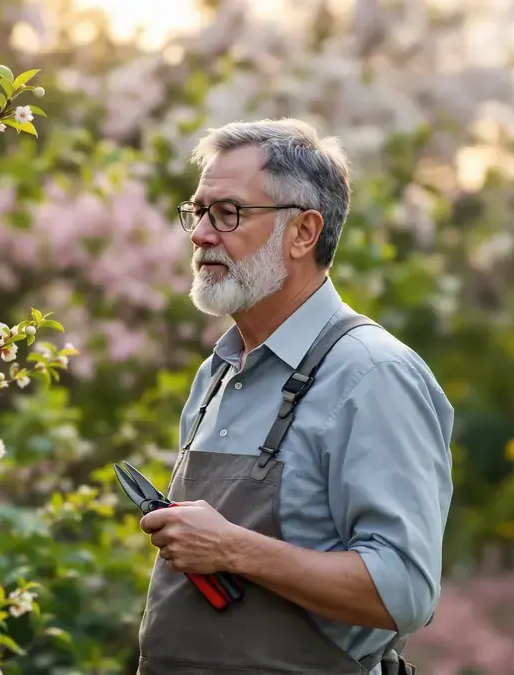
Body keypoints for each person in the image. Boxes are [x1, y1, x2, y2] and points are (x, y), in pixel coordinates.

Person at [136, 118, 454, 675]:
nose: (201, 234)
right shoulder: (218, 371)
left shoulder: (373, 375)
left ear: (304, 232)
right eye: (198, 211)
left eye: (228, 212)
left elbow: (404, 592)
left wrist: (233, 549)